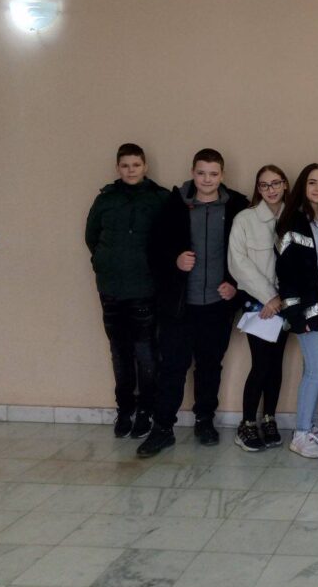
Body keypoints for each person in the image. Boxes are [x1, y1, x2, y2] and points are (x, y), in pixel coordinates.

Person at [136, 148, 249, 458]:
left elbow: (251, 255)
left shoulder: (237, 207)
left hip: (217, 305)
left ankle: (205, 421)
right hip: (179, 306)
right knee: (172, 367)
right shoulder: (174, 205)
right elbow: (153, 249)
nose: (207, 179)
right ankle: (162, 428)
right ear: (192, 173)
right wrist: (175, 261)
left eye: (213, 174)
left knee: (210, 366)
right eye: (201, 173)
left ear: (222, 175)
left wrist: (235, 287)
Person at [85, 143, 169, 439]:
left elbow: (169, 240)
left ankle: (147, 409)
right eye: (125, 165)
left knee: (145, 352)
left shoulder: (159, 198)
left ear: (145, 166)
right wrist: (103, 263)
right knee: (119, 352)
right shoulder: (105, 199)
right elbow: (91, 236)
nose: (131, 170)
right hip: (111, 288)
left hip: (144, 288)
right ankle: (125, 409)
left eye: (136, 165)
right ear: (117, 168)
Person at [227, 165, 288, 452]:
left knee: (276, 365)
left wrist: (282, 299)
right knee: (261, 364)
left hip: (285, 304)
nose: (271, 189)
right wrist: (269, 297)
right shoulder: (245, 219)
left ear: (285, 184)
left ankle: (269, 418)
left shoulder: (294, 217)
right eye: (264, 185)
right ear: (258, 189)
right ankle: (247, 423)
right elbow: (238, 263)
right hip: (259, 305)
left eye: (276, 183)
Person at [275, 163, 318, 459]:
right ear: (303, 185)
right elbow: (286, 273)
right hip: (308, 297)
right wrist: (295, 312)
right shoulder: (293, 220)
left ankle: (309, 425)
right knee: (316, 368)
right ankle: (300, 433)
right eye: (312, 182)